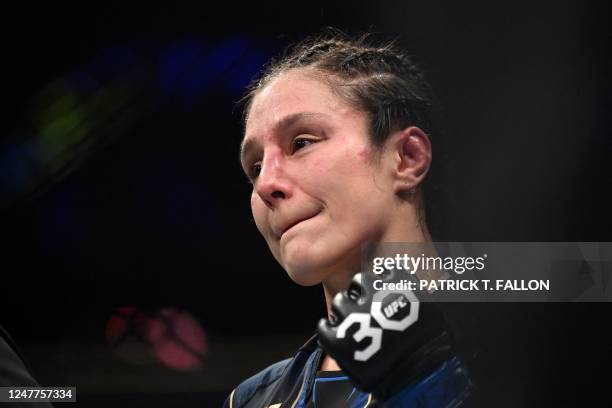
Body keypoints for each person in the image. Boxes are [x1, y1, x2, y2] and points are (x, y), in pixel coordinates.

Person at [225, 31, 473, 407]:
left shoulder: (528, 356)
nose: (266, 184)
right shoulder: (251, 400)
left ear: (407, 158)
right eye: (255, 167)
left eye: (301, 143)